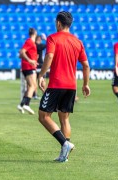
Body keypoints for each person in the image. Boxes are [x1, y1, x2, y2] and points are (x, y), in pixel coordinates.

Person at [37, 11, 90, 163]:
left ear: (58, 23)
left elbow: (50, 56)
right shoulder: (77, 42)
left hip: (56, 84)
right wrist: (86, 84)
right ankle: (64, 155)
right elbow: (86, 65)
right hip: (71, 86)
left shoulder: (53, 38)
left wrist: (41, 75)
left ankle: (65, 143)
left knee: (43, 116)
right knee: (64, 118)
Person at [17, 28, 38, 115]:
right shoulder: (29, 41)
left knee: (30, 87)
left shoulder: (30, 42)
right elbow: (22, 52)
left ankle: (21, 105)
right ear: (35, 33)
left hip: (29, 66)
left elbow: (20, 53)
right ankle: (27, 104)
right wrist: (30, 60)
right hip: (28, 67)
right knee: (33, 86)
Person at [32, 34, 46, 99]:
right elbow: (47, 45)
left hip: (35, 65)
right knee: (42, 80)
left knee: (34, 80)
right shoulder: (39, 45)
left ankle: (34, 95)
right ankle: (44, 94)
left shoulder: (33, 45)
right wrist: (46, 39)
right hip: (40, 65)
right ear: (39, 39)